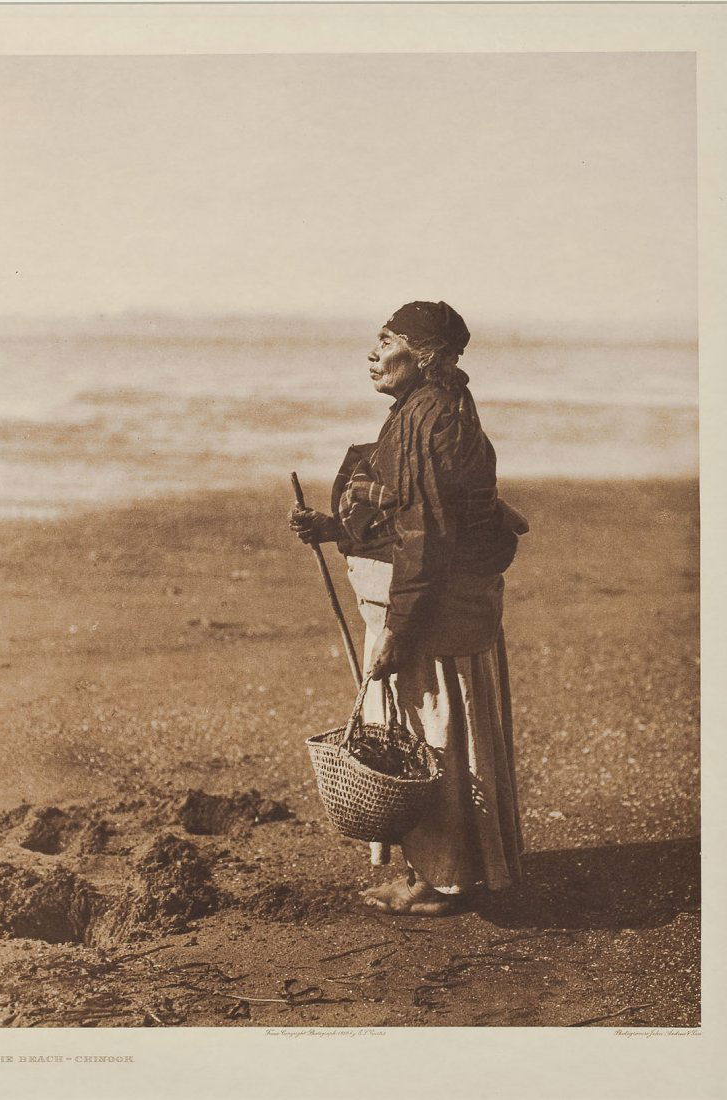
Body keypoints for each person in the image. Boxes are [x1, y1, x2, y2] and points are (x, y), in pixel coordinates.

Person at [289, 300, 527, 916]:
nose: (374, 353)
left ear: (424, 356)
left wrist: (397, 629)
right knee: (445, 736)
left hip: (431, 614)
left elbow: (426, 541)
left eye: (387, 340)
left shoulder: (428, 419)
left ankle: (443, 881)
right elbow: (411, 518)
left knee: (433, 737)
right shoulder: (432, 410)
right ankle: (461, 868)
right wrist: (335, 528)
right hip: (449, 606)